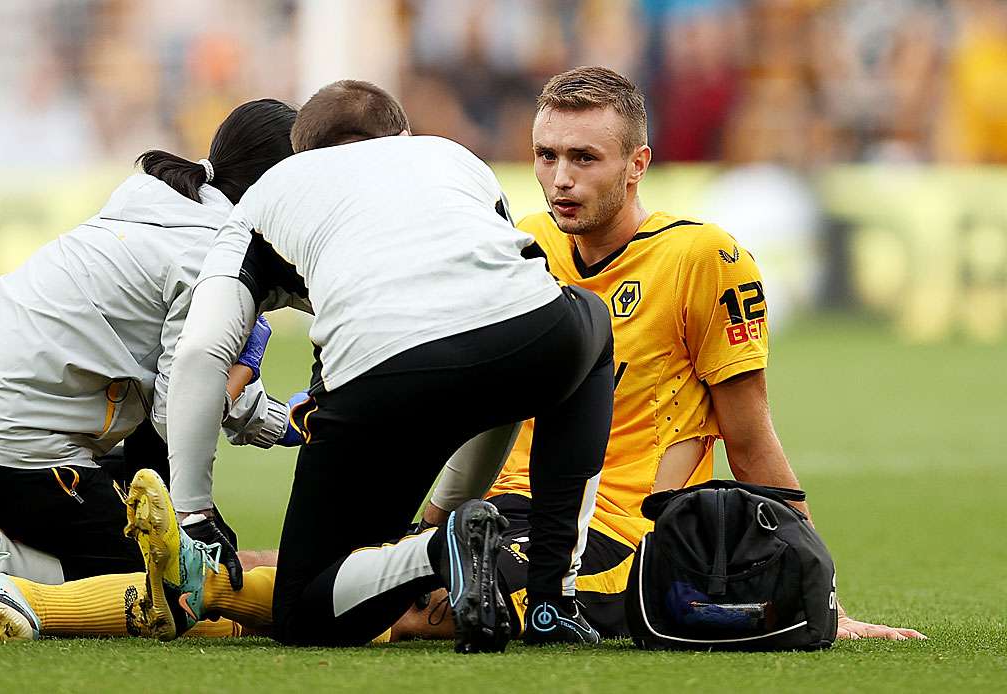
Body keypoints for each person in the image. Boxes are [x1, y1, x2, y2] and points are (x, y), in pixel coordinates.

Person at [0, 79, 616, 652]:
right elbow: (497, 312)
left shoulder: (236, 204)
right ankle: (553, 596)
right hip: (538, 330)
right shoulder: (449, 156)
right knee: (581, 339)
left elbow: (199, 360)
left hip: (373, 373)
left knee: (285, 596)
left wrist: (196, 511)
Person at [392, 66, 924, 643]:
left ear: (637, 164)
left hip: (614, 533)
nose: (560, 179)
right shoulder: (523, 245)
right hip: (495, 513)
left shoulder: (703, 258)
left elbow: (749, 440)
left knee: (416, 610)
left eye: (584, 158)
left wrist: (820, 597)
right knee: (327, 575)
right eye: (546, 156)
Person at [0, 99, 301, 634]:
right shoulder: (209, 256)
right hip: (0, 439)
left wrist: (285, 422)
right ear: (277, 188)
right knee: (167, 577)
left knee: (157, 518)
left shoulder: (172, 208)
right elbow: (182, 406)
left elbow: (189, 383)